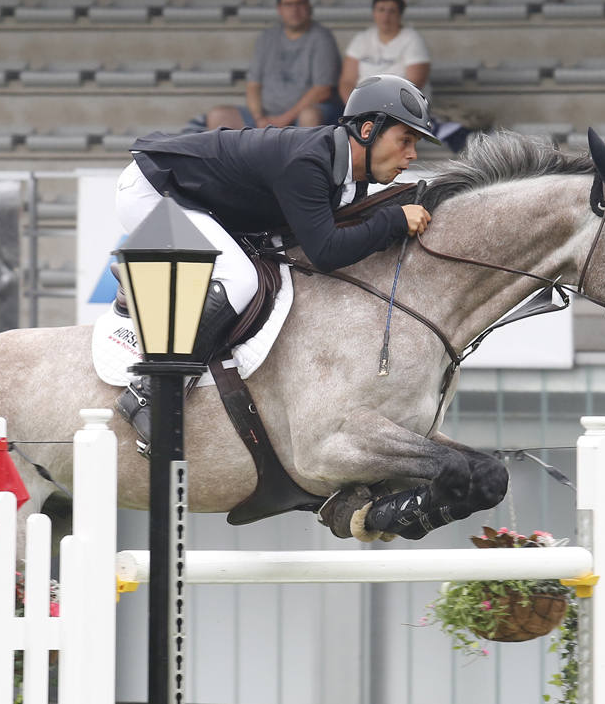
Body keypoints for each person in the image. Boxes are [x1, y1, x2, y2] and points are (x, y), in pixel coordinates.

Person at [115, 74, 438, 446]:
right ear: (368, 129)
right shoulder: (308, 163)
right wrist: (395, 220)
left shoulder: (348, 175)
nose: (412, 155)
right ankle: (150, 392)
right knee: (240, 279)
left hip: (198, 199)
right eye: (406, 141)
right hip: (152, 191)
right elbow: (327, 252)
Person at [206, 0, 342, 130]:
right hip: (266, 116)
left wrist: (283, 119)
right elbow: (253, 86)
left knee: (309, 116)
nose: (294, 9)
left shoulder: (322, 38)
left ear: (308, 6)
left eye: (299, 3)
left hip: (302, 115)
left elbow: (322, 90)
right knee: (218, 115)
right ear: (279, 9)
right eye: (288, 4)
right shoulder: (267, 38)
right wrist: (259, 118)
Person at [339, 0, 431, 104]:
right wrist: (353, 106)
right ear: (374, 12)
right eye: (381, 10)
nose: (386, 17)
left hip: (402, 107)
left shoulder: (412, 39)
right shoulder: (361, 39)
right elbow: (347, 81)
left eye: (392, 11)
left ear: (400, 14)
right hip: (363, 106)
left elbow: (415, 83)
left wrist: (383, 107)